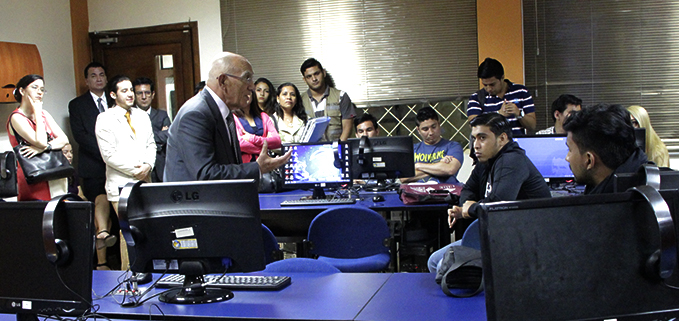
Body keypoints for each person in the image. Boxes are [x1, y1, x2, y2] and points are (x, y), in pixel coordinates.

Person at [428, 113, 551, 273]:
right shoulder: (486, 160)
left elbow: (497, 204)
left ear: (502, 139)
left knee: (442, 267)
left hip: (527, 240)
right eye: (474, 138)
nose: (476, 145)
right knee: (434, 261)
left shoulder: (512, 160)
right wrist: (465, 206)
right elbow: (468, 189)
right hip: (501, 234)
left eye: (482, 138)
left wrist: (469, 210)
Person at [164, 52, 291, 182]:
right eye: (247, 78)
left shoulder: (224, 112)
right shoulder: (196, 114)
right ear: (223, 81)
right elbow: (206, 175)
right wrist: (257, 168)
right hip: (196, 202)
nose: (252, 87)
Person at [95, 75, 156, 270]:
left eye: (131, 90)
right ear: (113, 94)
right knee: (128, 232)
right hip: (121, 182)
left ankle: (150, 273)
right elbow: (109, 155)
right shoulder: (104, 119)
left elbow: (151, 144)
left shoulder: (142, 115)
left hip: (146, 178)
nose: (130, 94)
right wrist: (136, 171)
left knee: (148, 230)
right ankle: (129, 276)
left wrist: (148, 165)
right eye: (124, 91)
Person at [68, 62, 117, 269]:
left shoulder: (116, 103)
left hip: (117, 168)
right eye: (93, 75)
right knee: (100, 201)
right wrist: (107, 155)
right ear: (86, 81)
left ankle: (114, 262)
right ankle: (102, 259)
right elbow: (81, 137)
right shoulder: (77, 105)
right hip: (93, 167)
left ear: (106, 79)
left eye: (102, 74)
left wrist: (116, 158)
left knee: (117, 213)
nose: (98, 78)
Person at [7, 74, 69, 201]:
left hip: (54, 172)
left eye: (42, 89)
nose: (39, 92)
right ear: (22, 91)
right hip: (34, 174)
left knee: (58, 213)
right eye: (34, 87)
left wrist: (44, 148)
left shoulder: (44, 114)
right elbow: (40, 141)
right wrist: (36, 110)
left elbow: (64, 139)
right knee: (39, 214)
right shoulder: (17, 117)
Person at [564, 104, 649, 194]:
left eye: (570, 150)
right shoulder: (640, 182)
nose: (567, 158)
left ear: (589, 160)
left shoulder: (612, 205)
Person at [467, 58, 536, 135]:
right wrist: (498, 115)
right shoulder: (477, 98)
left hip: (517, 144)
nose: (489, 89)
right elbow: (473, 126)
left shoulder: (521, 92)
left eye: (492, 84)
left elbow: (532, 126)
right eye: (485, 85)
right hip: (490, 146)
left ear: (502, 78)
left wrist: (519, 114)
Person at [401, 107, 464, 184]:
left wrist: (418, 166)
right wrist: (440, 167)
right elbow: (403, 177)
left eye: (434, 127)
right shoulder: (412, 149)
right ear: (418, 130)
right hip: (417, 193)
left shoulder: (453, 146)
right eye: (425, 129)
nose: (431, 132)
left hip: (445, 193)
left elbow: (450, 169)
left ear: (439, 124)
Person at [299, 58, 356, 141]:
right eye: (309, 76)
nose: (314, 79)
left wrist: (338, 148)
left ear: (324, 73)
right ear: (304, 80)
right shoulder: (300, 101)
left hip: (336, 148)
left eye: (317, 73)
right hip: (311, 150)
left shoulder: (341, 96)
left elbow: (347, 127)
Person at [133, 77, 171, 182]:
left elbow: (168, 136)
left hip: (159, 168)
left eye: (147, 93)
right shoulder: (130, 117)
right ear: (134, 95)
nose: (144, 97)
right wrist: (159, 136)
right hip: (138, 169)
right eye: (140, 93)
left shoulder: (162, 115)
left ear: (153, 94)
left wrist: (142, 139)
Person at [234, 87, 282, 163]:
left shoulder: (264, 116)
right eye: (242, 93)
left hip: (265, 164)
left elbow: (277, 141)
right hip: (244, 166)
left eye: (248, 92)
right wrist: (264, 149)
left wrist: (252, 138)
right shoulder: (233, 117)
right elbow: (240, 144)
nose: (246, 96)